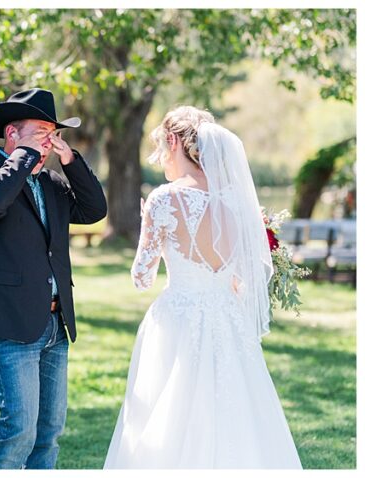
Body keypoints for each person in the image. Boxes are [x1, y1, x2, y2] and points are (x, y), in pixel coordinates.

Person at [103, 106, 301, 468]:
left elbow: (141, 276)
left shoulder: (165, 199)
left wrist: (151, 223)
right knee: (234, 409)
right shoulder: (237, 202)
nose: (161, 157)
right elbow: (242, 278)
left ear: (175, 141)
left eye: (162, 147)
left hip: (177, 318)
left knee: (169, 411)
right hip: (228, 317)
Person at [0, 88, 108, 469]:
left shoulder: (53, 184)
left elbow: (94, 210)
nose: (49, 143)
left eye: (52, 134)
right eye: (41, 134)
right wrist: (26, 156)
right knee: (17, 432)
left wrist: (70, 160)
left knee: (48, 435)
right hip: (10, 323)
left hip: (55, 325)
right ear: (12, 134)